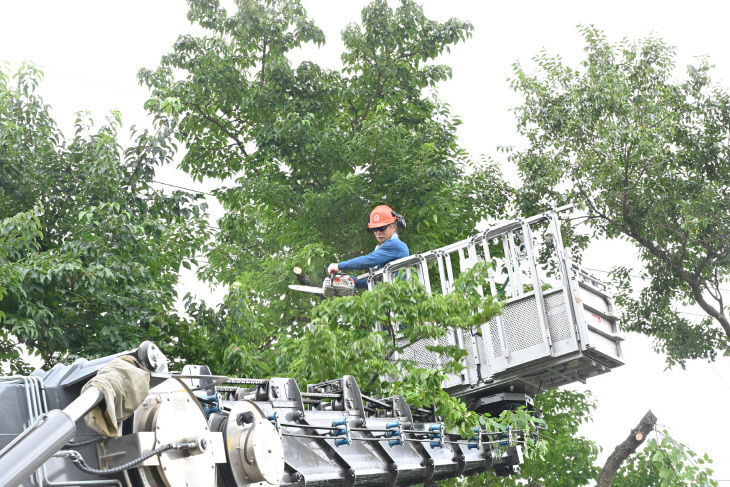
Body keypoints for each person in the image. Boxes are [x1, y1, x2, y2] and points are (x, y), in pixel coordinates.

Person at [327, 205, 409, 289]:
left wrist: (339, 266)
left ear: (393, 226)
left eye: (382, 228)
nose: (378, 233)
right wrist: (352, 280)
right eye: (374, 229)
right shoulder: (385, 249)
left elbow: (368, 260)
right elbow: (377, 282)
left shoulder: (395, 245)